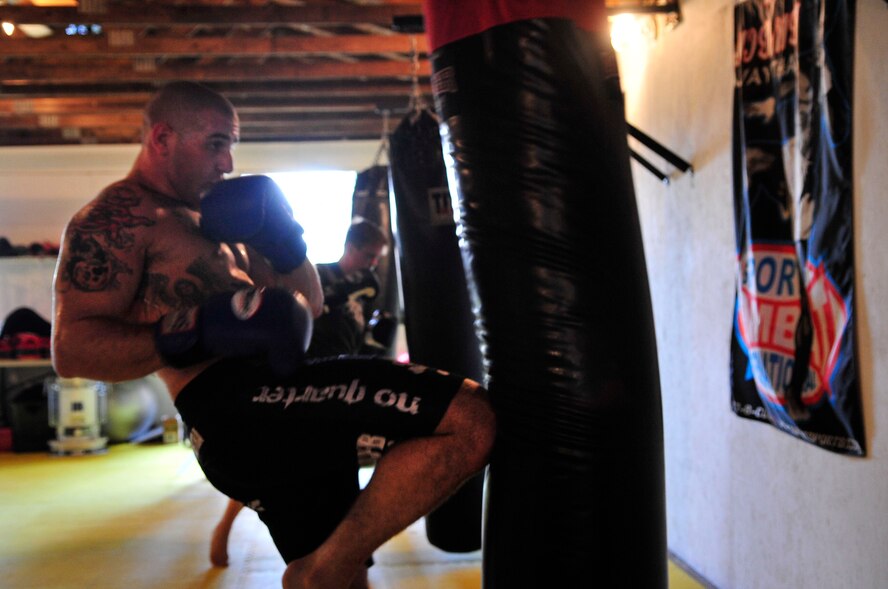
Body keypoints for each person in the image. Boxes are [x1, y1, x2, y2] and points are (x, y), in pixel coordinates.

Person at [51, 80, 495, 589]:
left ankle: (323, 571)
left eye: (231, 146)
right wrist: (188, 334)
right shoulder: (117, 221)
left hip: (291, 395)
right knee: (470, 416)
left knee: (346, 580)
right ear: (162, 139)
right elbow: (71, 350)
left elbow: (311, 304)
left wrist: (286, 244)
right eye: (216, 143)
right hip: (235, 410)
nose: (227, 163)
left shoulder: (224, 216)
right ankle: (317, 570)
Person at [208, 217, 393, 567]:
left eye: (376, 257)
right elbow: (301, 310)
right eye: (368, 254)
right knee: (269, 469)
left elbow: (361, 331)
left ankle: (354, 562)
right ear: (350, 247)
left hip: (345, 383)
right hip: (304, 380)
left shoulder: (370, 283)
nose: (372, 263)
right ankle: (224, 528)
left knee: (342, 471)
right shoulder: (316, 277)